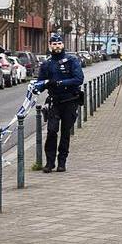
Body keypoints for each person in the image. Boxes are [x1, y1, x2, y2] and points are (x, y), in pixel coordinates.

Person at [33, 33, 84, 173]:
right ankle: (50, 163)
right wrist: (37, 87)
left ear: (63, 45)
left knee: (65, 132)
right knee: (51, 131)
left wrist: (60, 83)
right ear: (50, 46)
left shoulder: (72, 61)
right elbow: (41, 82)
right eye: (54, 44)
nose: (57, 46)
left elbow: (79, 79)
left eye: (59, 43)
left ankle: (62, 162)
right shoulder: (47, 64)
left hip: (70, 101)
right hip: (54, 102)